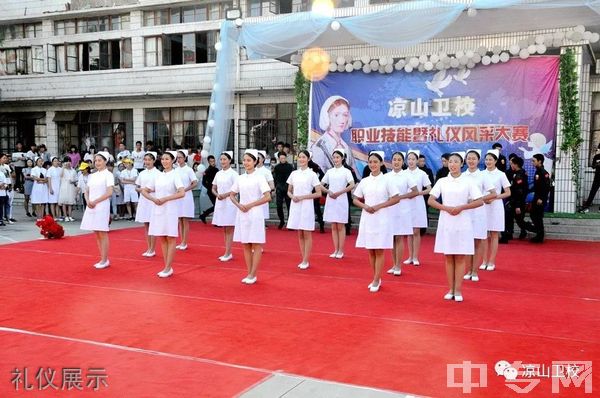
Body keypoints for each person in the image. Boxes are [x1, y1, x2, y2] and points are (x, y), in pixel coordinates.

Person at [427, 152, 484, 302]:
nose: (452, 164)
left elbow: (479, 201)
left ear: (461, 164)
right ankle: (450, 289)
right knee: (448, 256)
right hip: (446, 221)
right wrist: (445, 208)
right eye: (450, 162)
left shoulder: (468, 182)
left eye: (456, 162)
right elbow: (431, 200)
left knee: (459, 257)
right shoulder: (442, 182)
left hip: (463, 221)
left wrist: (462, 207)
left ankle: (458, 290)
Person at [353, 151, 400, 293]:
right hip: (368, 218)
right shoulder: (365, 181)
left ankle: (376, 279)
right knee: (371, 250)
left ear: (381, 163)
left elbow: (396, 198)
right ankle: (376, 277)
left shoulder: (387, 180)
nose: (373, 164)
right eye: (370, 162)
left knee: (379, 249)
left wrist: (379, 206)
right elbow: (355, 198)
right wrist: (365, 206)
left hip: (382, 218)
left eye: (375, 162)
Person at [229, 149, 272, 284]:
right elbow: (231, 194)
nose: (246, 162)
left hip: (255, 213)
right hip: (242, 213)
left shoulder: (260, 177)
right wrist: (239, 205)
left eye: (249, 160)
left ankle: (253, 274)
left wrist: (250, 205)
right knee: (246, 243)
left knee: (256, 243)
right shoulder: (240, 178)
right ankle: (249, 273)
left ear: (255, 162)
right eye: (244, 160)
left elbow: (267, 197)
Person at [142, 152, 185, 277]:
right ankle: (167, 267)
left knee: (170, 237)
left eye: (167, 159)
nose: (164, 161)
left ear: (172, 160)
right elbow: (145, 190)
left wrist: (166, 198)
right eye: (163, 159)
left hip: (170, 209)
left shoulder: (175, 175)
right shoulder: (158, 176)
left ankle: (168, 267)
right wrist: (153, 199)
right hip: (158, 209)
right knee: (162, 237)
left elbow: (181, 192)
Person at [463, 150, 496, 282]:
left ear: (478, 160)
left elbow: (493, 193)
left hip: (478, 212)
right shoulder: (461, 176)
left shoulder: (483, 176)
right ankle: (468, 270)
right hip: (465, 212)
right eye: (469, 158)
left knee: (477, 242)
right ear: (465, 160)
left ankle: (474, 271)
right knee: (466, 243)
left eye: (474, 158)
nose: (471, 161)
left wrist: (478, 198)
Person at [286, 150, 323, 269]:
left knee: (306, 232)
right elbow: (289, 191)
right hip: (296, 205)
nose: (301, 159)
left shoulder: (312, 174)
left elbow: (318, 193)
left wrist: (303, 197)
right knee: (299, 233)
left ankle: (306, 260)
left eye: (304, 157)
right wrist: (292, 197)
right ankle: (303, 258)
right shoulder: (294, 174)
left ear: (308, 159)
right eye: (300, 157)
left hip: (307, 205)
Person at [385, 151, 418, 276]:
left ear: (402, 162)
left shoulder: (406, 176)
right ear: (391, 161)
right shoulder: (387, 176)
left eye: (399, 160)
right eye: (394, 159)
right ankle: (394, 264)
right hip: (390, 210)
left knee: (399, 237)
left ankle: (398, 265)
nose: (396, 162)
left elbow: (415, 191)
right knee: (392, 237)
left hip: (402, 209)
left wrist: (400, 197)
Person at [80, 152, 114, 269]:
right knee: (96, 232)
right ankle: (102, 258)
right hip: (91, 205)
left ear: (105, 161)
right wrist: (88, 200)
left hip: (102, 205)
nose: (97, 163)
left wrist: (95, 201)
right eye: (96, 161)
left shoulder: (108, 175)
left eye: (100, 160)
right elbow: (86, 190)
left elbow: (109, 192)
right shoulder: (92, 175)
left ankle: (105, 260)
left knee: (102, 232)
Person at [321, 148, 355, 259]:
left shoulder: (346, 171)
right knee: (333, 226)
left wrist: (339, 192)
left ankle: (341, 250)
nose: (335, 159)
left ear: (342, 158)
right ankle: (335, 249)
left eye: (338, 157)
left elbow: (351, 185)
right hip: (331, 199)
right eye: (334, 157)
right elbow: (320, 184)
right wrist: (328, 191)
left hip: (341, 199)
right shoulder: (330, 171)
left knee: (340, 225)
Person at [311, 95, 358, 175]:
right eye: (336, 115)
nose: (342, 120)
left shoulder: (346, 147)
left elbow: (355, 175)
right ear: (327, 117)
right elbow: (318, 175)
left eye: (345, 115)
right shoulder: (319, 147)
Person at [481, 149, 511, 271]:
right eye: (486, 159)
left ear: (496, 161)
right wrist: (484, 199)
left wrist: (494, 197)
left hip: (496, 206)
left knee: (494, 234)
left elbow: (508, 192)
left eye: (491, 160)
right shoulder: (481, 174)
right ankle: (483, 260)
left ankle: (491, 261)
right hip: (483, 205)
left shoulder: (501, 174)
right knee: (483, 234)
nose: (488, 162)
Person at [404, 150, 432, 266]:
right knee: (408, 231)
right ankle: (409, 256)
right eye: (409, 159)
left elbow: (429, 188)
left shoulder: (422, 174)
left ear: (417, 161)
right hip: (405, 203)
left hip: (417, 203)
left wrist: (418, 193)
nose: (411, 161)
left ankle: (415, 257)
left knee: (416, 231)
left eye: (413, 159)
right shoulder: (403, 173)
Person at [212, 151, 239, 262]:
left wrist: (225, 195)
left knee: (229, 228)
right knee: (224, 228)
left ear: (229, 160)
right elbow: (213, 188)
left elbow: (236, 189)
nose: (222, 161)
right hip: (220, 202)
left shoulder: (234, 174)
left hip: (230, 203)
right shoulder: (218, 174)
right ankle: (227, 251)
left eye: (225, 159)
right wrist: (217, 194)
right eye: (221, 159)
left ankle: (228, 252)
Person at [135, 152, 160, 257]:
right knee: (146, 225)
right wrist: (143, 190)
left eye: (149, 160)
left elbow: (158, 187)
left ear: (154, 160)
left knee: (152, 225)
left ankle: (152, 249)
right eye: (145, 160)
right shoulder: (142, 173)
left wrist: (147, 190)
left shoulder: (158, 173)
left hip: (153, 200)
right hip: (143, 200)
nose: (147, 162)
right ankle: (148, 247)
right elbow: (137, 186)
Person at [524, 154, 551, 243]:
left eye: (534, 161)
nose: (532, 162)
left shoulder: (543, 172)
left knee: (537, 216)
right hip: (536, 197)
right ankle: (539, 234)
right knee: (534, 215)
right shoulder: (538, 171)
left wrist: (542, 199)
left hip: (540, 198)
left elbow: (546, 187)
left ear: (539, 161)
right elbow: (537, 186)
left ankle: (540, 236)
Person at [175, 149, 198, 250]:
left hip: (186, 196)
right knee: (180, 219)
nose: (178, 159)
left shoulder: (189, 170)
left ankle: (185, 242)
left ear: (185, 158)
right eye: (177, 157)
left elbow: (194, 183)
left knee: (185, 219)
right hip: (177, 197)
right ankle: (181, 241)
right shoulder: (175, 170)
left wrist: (185, 190)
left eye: (180, 157)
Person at [504, 156, 529, 240]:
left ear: (516, 164)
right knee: (509, 217)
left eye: (512, 164)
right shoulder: (516, 173)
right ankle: (509, 233)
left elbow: (519, 191)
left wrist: (518, 205)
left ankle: (533, 229)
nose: (511, 165)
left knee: (519, 219)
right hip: (513, 200)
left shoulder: (519, 174)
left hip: (517, 201)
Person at [273, 152, 294, 229]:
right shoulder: (276, 167)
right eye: (281, 158)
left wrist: (292, 188)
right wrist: (275, 188)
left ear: (286, 158)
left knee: (289, 206)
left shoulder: (290, 167)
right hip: (279, 188)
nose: (283, 159)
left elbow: (293, 178)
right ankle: (281, 220)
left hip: (288, 188)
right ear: (278, 159)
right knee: (279, 205)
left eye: (284, 158)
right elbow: (275, 178)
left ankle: (290, 222)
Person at [255, 151, 275, 221]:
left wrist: (263, 190)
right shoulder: (250, 170)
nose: (257, 160)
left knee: (261, 218)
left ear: (263, 159)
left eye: (259, 158)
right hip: (251, 197)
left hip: (262, 197)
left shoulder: (266, 171)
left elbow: (272, 186)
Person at [418, 154, 435, 236]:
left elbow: (431, 184)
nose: (422, 162)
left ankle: (423, 229)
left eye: (423, 161)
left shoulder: (428, 171)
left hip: (425, 195)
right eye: (420, 161)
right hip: (413, 196)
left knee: (424, 212)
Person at [581, 143, 600, 212]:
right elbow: (593, 166)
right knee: (592, 192)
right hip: (597, 177)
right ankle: (586, 207)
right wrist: (597, 164)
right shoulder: (596, 156)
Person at [308, 158, 326, 233]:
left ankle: (321, 224)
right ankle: (309, 226)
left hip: (314, 190)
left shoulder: (314, 165)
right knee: (308, 208)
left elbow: (322, 174)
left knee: (316, 208)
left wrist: (317, 182)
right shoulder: (303, 167)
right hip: (307, 189)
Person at [199, 155, 218, 223]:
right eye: (211, 161)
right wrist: (210, 188)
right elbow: (203, 182)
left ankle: (204, 214)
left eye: (213, 161)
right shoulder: (207, 171)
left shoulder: (216, 170)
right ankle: (204, 215)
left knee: (217, 206)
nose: (213, 162)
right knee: (217, 206)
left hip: (217, 191)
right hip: (211, 191)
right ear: (208, 162)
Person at [58, 157, 78, 222]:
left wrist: (73, 181)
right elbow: (60, 175)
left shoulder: (73, 170)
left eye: (69, 161)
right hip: (64, 187)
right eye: (67, 161)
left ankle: (70, 216)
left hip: (71, 187)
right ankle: (65, 216)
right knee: (64, 202)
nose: (68, 163)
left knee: (70, 202)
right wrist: (63, 167)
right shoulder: (62, 169)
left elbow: (76, 179)